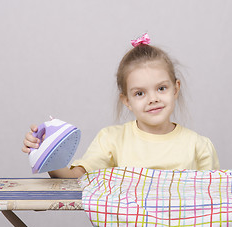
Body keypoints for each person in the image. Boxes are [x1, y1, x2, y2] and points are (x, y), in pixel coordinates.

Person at [22, 33, 220, 179]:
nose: (153, 99)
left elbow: (215, 203)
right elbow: (75, 178)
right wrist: (47, 151)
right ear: (127, 101)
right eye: (140, 93)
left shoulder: (199, 147)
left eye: (161, 88)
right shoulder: (111, 141)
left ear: (175, 89)